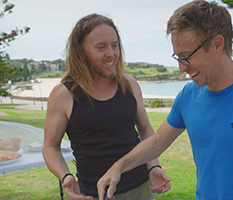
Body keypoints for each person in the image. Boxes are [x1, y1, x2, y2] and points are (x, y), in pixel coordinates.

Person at [97, 1, 233, 200]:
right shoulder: (188, 95)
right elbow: (158, 142)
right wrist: (119, 167)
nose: (181, 68)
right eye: (177, 58)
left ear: (217, 44)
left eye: (186, 56)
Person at [42, 13, 171, 200]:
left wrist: (153, 166)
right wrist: (66, 176)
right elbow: (50, 147)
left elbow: (145, 130)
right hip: (95, 194)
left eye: (115, 45)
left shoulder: (130, 84)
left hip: (141, 188)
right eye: (101, 47)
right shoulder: (64, 95)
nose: (111, 53)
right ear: (82, 52)